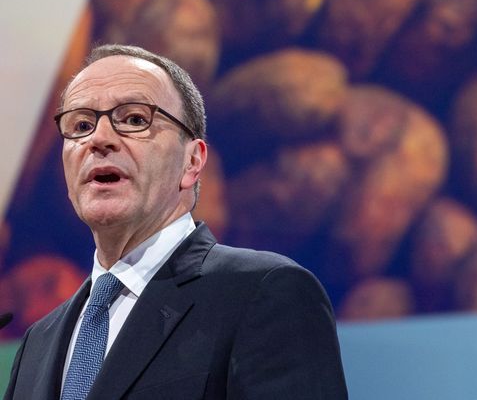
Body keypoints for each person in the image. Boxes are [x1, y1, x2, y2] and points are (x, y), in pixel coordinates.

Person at [4, 44, 348, 399]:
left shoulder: (264, 293)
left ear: (192, 162)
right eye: (81, 125)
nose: (99, 139)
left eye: (135, 119)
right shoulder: (37, 343)